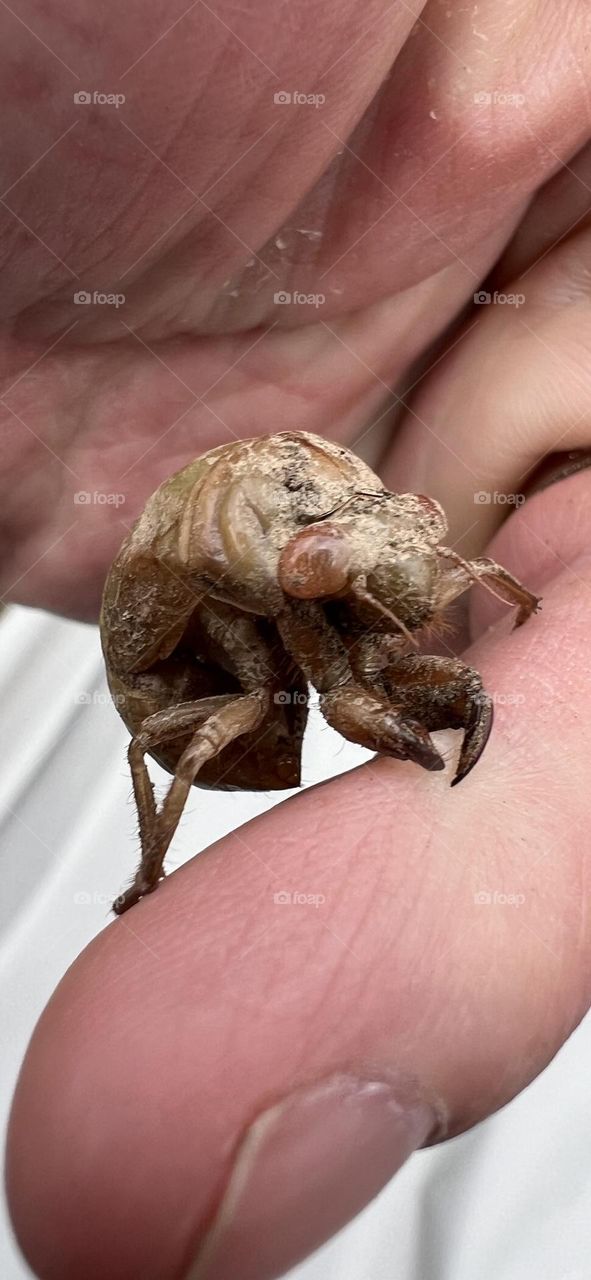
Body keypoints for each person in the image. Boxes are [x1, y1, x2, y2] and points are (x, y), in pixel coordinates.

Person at [3, 2, 591, 1277]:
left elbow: (355, 536)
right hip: (199, 665)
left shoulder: (317, 497)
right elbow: (311, 685)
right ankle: (152, 870)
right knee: (263, 706)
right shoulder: (247, 577)